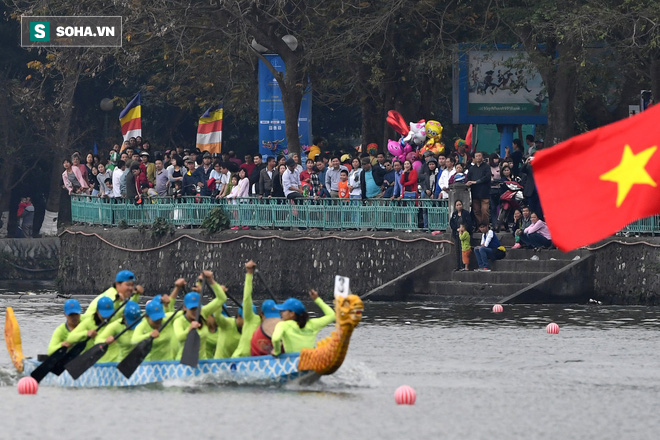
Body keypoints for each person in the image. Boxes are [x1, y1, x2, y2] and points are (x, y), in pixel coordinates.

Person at [172, 277, 227, 361]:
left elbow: (221, 299)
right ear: (185, 308)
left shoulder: (203, 313)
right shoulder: (179, 321)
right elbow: (180, 337)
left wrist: (211, 281)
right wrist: (189, 329)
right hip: (183, 363)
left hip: (203, 363)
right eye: (192, 308)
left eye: (196, 308)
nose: (195, 311)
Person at [271, 289, 335, 356]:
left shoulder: (282, 325)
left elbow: (275, 339)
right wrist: (317, 299)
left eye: (283, 311)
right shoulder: (312, 324)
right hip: (311, 361)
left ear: (292, 313)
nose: (281, 313)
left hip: (293, 362)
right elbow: (332, 315)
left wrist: (276, 351)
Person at [230, 261, 261, 358]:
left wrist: (249, 273)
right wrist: (249, 274)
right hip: (238, 359)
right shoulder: (229, 323)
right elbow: (247, 298)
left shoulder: (252, 319)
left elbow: (247, 298)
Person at [466, 152, 491, 226]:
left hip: (484, 193)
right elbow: (468, 177)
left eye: (480, 156)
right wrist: (468, 183)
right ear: (474, 158)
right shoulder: (472, 168)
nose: (478, 157)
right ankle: (480, 225)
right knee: (476, 211)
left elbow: (487, 177)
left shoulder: (486, 167)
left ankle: (485, 225)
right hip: (475, 193)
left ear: (482, 157)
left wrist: (476, 182)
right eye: (476, 156)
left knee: (485, 210)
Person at [449, 200, 474, 271]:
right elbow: (452, 223)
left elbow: (469, 223)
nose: (459, 206)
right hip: (457, 234)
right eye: (457, 205)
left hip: (464, 234)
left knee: (463, 250)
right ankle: (458, 265)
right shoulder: (454, 214)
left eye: (460, 204)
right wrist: (456, 229)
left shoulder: (466, 213)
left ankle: (463, 265)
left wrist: (463, 229)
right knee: (457, 250)